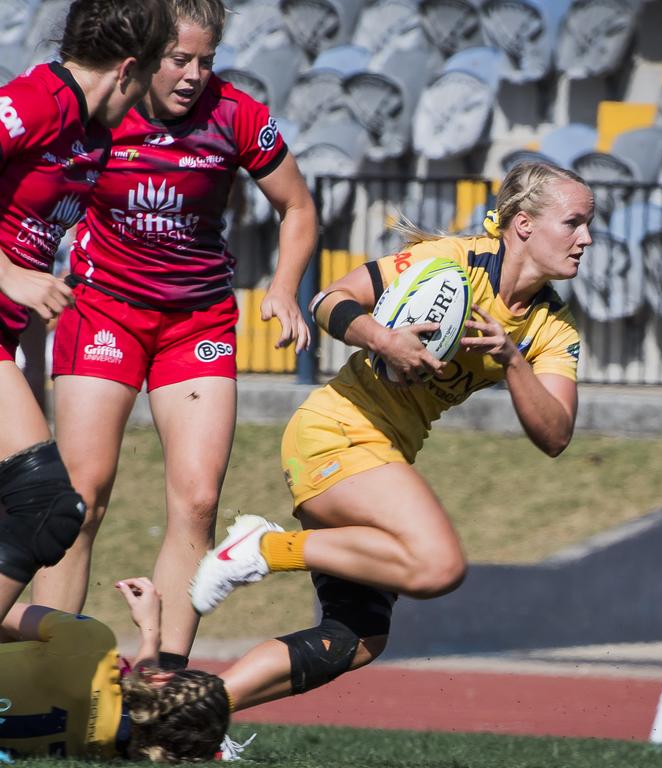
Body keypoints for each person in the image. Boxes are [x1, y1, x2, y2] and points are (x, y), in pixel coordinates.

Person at [187, 161, 593, 709]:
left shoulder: (553, 327)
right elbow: (328, 301)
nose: (585, 239)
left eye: (588, 225)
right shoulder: (451, 261)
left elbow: (556, 434)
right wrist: (385, 340)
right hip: (336, 431)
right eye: (573, 223)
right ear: (523, 223)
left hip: (383, 450)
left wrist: (510, 358)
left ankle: (194, 715)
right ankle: (263, 548)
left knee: (354, 639)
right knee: (439, 564)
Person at [34, 0, 318, 671]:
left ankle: (162, 683)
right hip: (102, 310)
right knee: (82, 495)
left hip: (198, 322)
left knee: (196, 499)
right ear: (145, 54)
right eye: (179, 59)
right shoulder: (103, 106)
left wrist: (283, 288)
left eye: (206, 61)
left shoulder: (237, 114)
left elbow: (298, 206)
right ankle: (52, 679)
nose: (193, 74)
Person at [0, 0, 175, 624]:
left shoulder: (91, 134)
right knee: (47, 505)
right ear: (129, 69)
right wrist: (10, 274)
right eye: (155, 74)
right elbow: (21, 269)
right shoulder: (37, 102)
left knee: (38, 506)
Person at [0, 578, 229, 761]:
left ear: (164, 677)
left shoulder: (89, 641)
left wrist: (151, 627)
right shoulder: (104, 753)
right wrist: (150, 635)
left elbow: (4, 609)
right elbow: (125, 708)